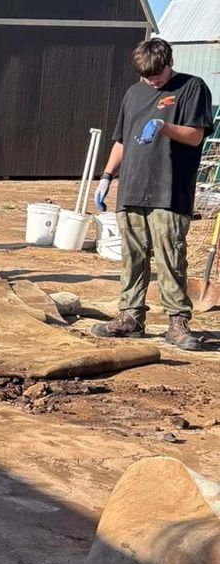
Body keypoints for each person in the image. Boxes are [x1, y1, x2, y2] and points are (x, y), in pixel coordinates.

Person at [92, 39, 214, 351]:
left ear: (169, 62)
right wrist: (106, 176)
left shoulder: (192, 88)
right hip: (132, 188)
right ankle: (130, 317)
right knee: (132, 257)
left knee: (170, 257)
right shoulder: (133, 93)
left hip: (169, 190)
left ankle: (177, 322)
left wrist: (163, 126)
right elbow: (122, 140)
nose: (153, 81)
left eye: (157, 75)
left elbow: (195, 135)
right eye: (147, 76)